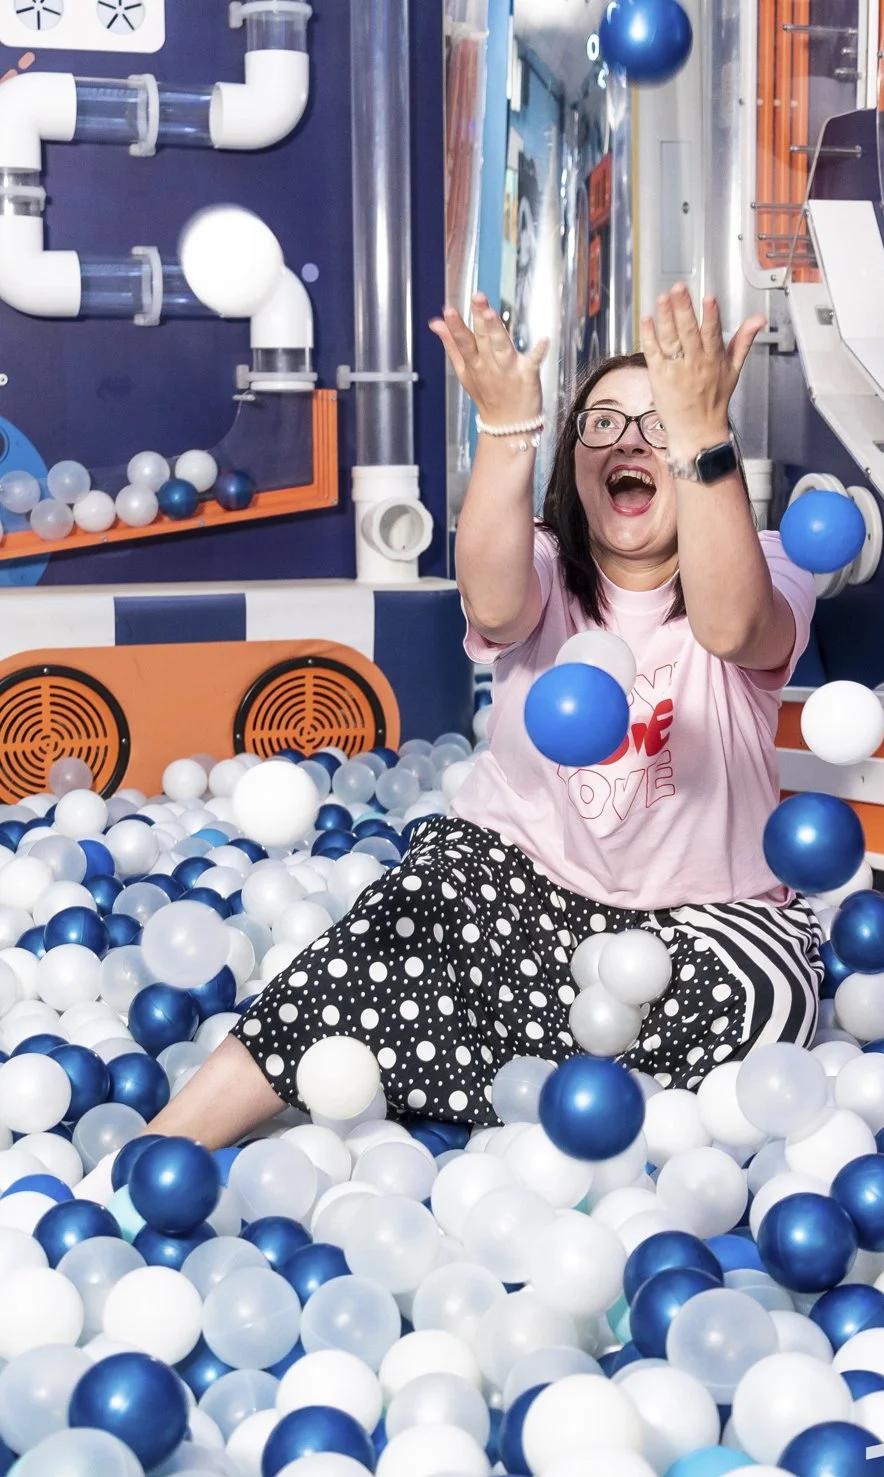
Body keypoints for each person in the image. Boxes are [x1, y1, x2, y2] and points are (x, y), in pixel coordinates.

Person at [144, 284, 822, 1149]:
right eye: (604, 423)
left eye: (660, 423)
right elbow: (496, 606)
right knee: (394, 922)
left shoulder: (765, 564)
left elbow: (732, 627)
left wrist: (704, 439)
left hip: (710, 917)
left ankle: (450, 1057)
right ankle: (163, 1145)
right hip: (524, 888)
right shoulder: (541, 556)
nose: (632, 441)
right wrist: (506, 429)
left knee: (769, 1002)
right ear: (576, 462)